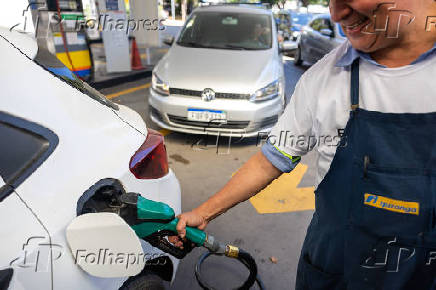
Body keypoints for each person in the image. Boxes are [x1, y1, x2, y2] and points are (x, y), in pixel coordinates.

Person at [170, 0, 436, 288]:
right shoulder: (325, 78)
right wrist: (202, 213)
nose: (336, 14)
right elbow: (270, 159)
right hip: (334, 272)